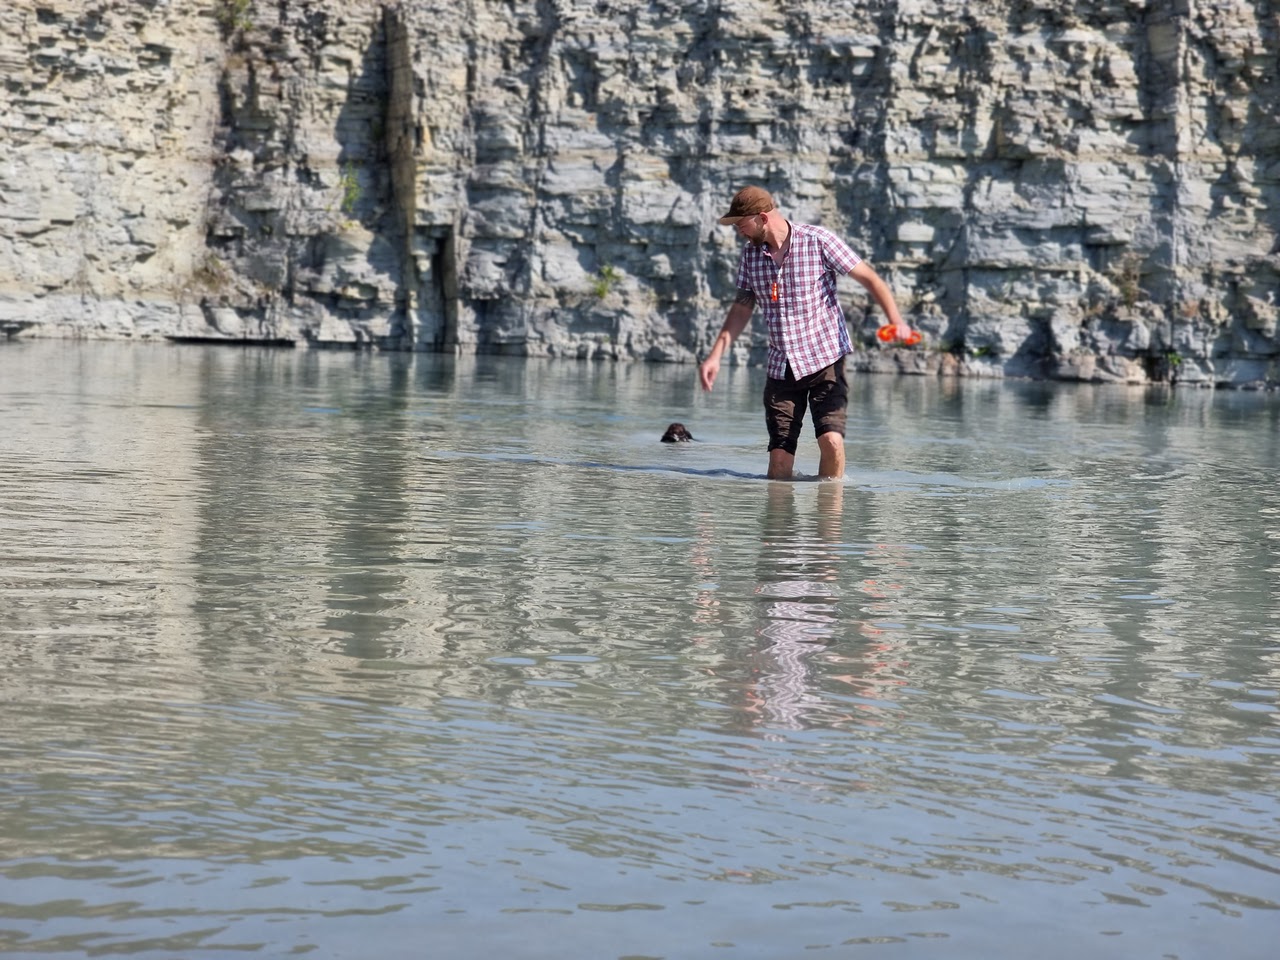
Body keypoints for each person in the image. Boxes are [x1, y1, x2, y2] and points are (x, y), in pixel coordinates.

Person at [698, 186, 913, 480]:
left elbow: (870, 278)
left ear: (762, 217)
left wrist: (895, 319)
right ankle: (779, 525)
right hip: (781, 368)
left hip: (825, 359)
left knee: (832, 443)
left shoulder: (818, 241)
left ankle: (829, 519)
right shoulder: (750, 257)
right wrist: (715, 357)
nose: (739, 232)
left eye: (741, 224)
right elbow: (741, 308)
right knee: (779, 462)